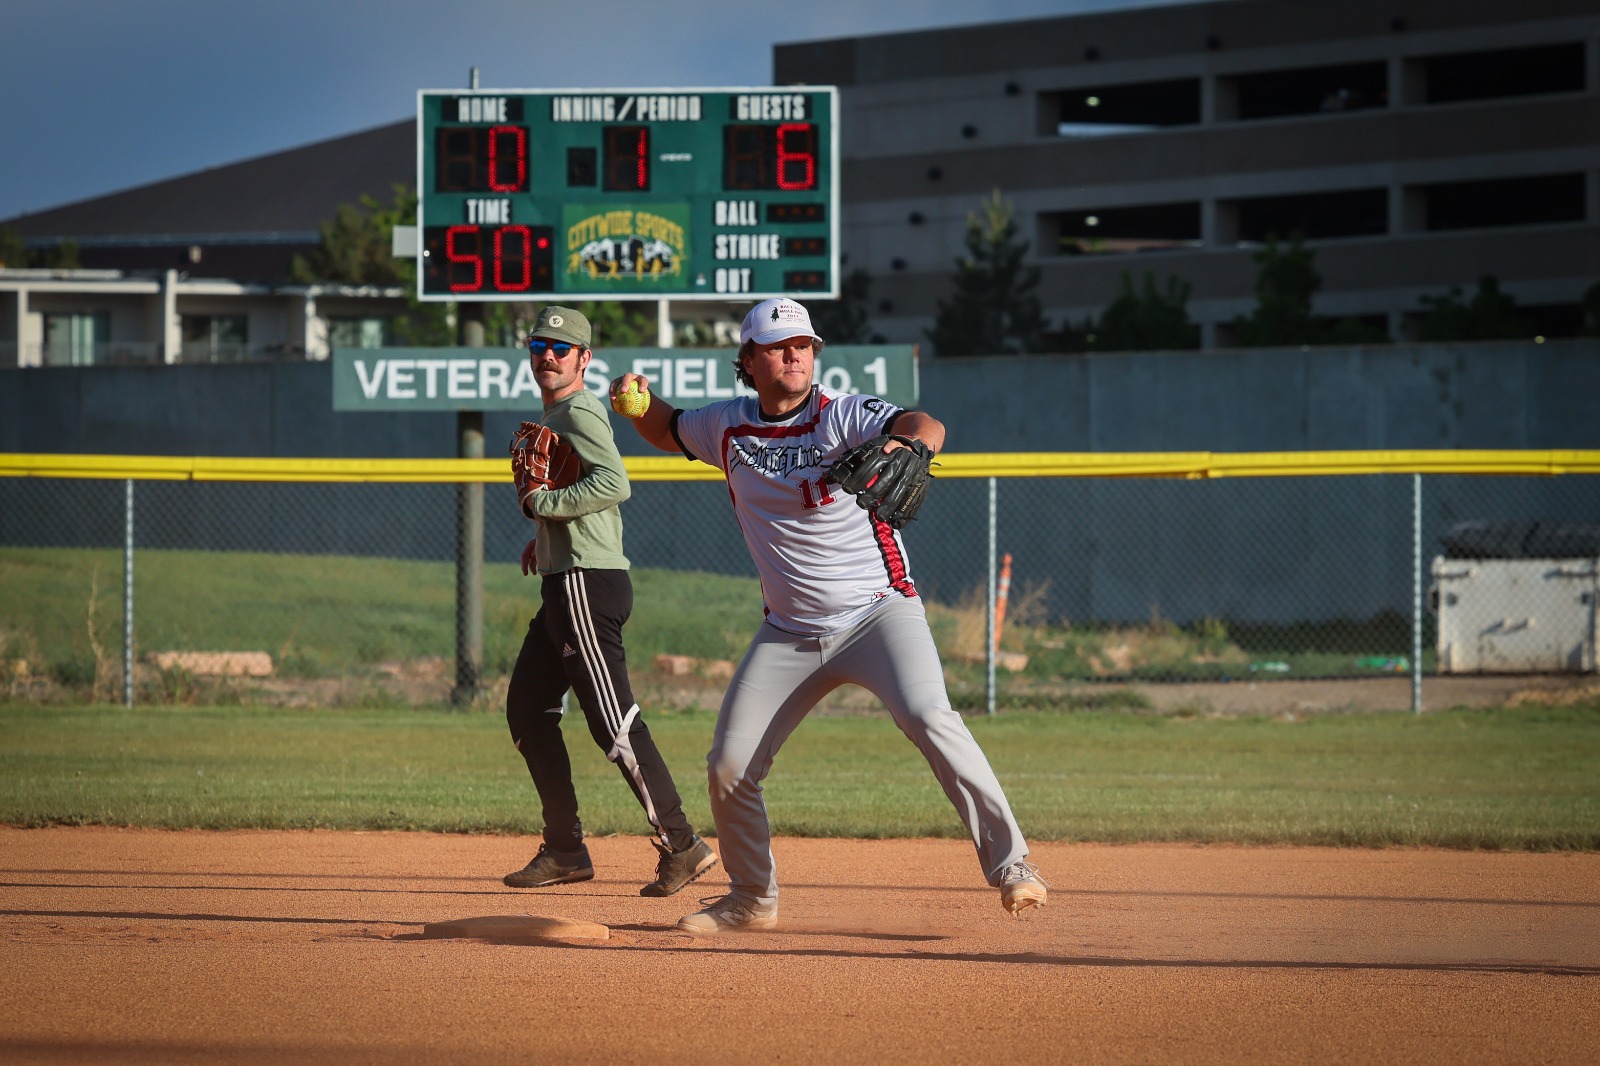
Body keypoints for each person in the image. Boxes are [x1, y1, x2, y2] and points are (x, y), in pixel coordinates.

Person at [610, 297, 1046, 933]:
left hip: (878, 615)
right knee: (729, 765)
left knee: (930, 715)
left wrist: (910, 449)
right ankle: (752, 900)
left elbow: (923, 422)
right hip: (788, 632)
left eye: (804, 344)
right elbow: (669, 428)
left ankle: (1012, 867)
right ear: (750, 360)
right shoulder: (728, 427)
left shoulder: (840, 413)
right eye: (779, 345)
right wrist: (640, 406)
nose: (795, 354)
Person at [503, 304, 717, 898]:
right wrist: (543, 538)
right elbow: (579, 492)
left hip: (586, 585)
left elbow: (613, 482)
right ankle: (566, 849)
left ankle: (682, 843)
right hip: (564, 576)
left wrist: (544, 509)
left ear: (584, 359)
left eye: (561, 348)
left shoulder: (580, 409)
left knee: (614, 725)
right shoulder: (559, 411)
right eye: (539, 346)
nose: (548, 355)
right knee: (527, 710)